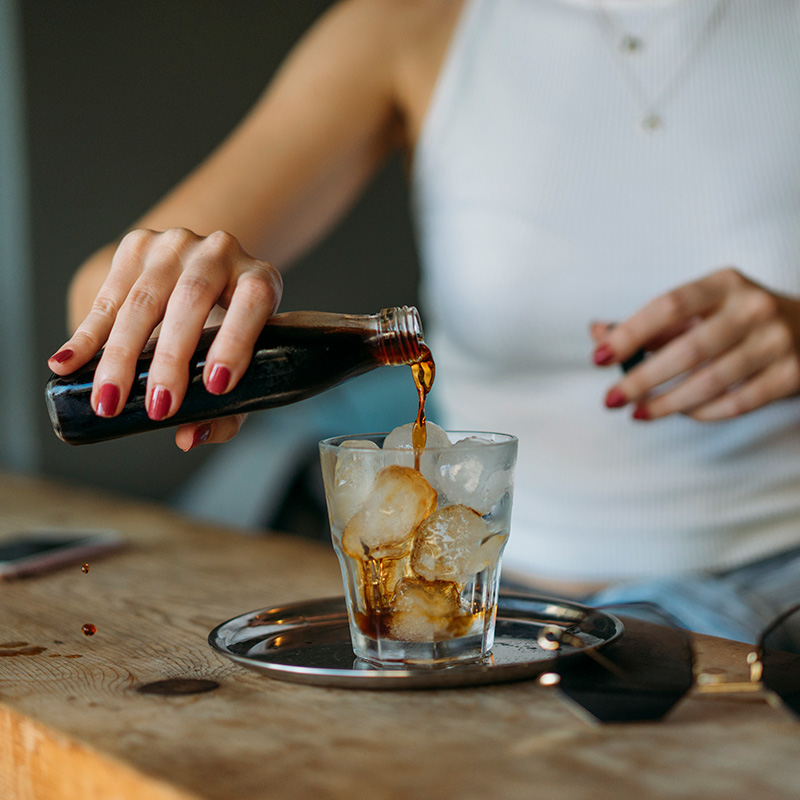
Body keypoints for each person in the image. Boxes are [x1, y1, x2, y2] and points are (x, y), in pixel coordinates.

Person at [48, 0, 800, 643]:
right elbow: (96, 296)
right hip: (489, 604)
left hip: (780, 588)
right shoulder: (409, 23)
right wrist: (177, 290)